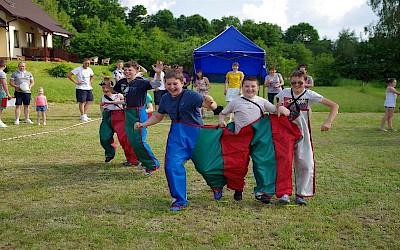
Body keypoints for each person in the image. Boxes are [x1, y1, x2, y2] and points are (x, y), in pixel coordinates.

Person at [135, 70, 217, 211]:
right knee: (171, 165)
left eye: (175, 84)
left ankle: (216, 185)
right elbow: (158, 117)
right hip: (176, 134)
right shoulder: (166, 98)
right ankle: (179, 200)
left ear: (182, 83)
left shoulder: (191, 95)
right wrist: (143, 124)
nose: (172, 87)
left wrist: (211, 102)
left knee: (205, 166)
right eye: (169, 84)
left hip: (196, 133)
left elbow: (211, 107)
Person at [218, 76, 290, 202]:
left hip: (258, 139)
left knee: (262, 163)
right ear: (242, 87)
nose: (250, 89)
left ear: (258, 88)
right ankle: (238, 189)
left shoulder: (262, 101)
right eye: (246, 86)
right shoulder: (236, 102)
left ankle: (263, 192)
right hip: (240, 139)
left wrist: (281, 108)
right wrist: (221, 121)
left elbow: (274, 111)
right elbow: (223, 113)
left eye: (253, 86)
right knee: (238, 165)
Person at [275, 70, 339, 205]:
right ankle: (284, 193)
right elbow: (278, 106)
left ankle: (301, 193)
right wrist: (280, 108)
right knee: (284, 161)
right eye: (293, 83)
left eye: (300, 82)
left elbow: (334, 106)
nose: (296, 85)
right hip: (285, 131)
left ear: (306, 82)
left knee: (306, 162)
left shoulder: (310, 95)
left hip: (303, 132)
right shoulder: (284, 93)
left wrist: (328, 122)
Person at [113, 60, 161, 176]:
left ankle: (153, 165)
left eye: (130, 70)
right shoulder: (122, 82)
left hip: (138, 112)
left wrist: (158, 74)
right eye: (125, 70)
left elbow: (156, 85)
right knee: (132, 140)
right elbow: (115, 90)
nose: (127, 72)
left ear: (137, 71)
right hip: (127, 112)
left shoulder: (141, 82)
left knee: (139, 140)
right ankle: (143, 162)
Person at [99, 77, 141, 167]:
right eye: (103, 88)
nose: (105, 90)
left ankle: (132, 159)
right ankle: (110, 153)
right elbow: (101, 106)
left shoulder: (119, 95)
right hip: (107, 117)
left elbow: (125, 102)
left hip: (119, 116)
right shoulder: (103, 96)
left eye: (107, 87)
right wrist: (103, 114)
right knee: (104, 137)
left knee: (124, 139)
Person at [0, 59, 12, 127]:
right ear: (4, 65)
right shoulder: (2, 73)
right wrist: (8, 94)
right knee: (1, 107)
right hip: (2, 92)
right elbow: (4, 84)